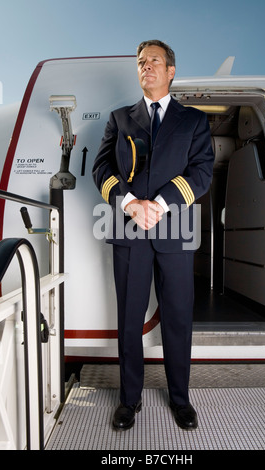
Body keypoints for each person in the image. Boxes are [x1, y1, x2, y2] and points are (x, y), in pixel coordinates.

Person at [92, 39, 214, 430]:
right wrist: (130, 204)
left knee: (178, 317)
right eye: (142, 62)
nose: (147, 66)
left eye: (155, 61)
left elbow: (202, 173)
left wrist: (157, 204)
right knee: (129, 318)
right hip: (129, 230)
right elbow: (100, 170)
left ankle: (180, 399)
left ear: (171, 71)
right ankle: (130, 400)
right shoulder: (119, 118)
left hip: (174, 229)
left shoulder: (193, 121)